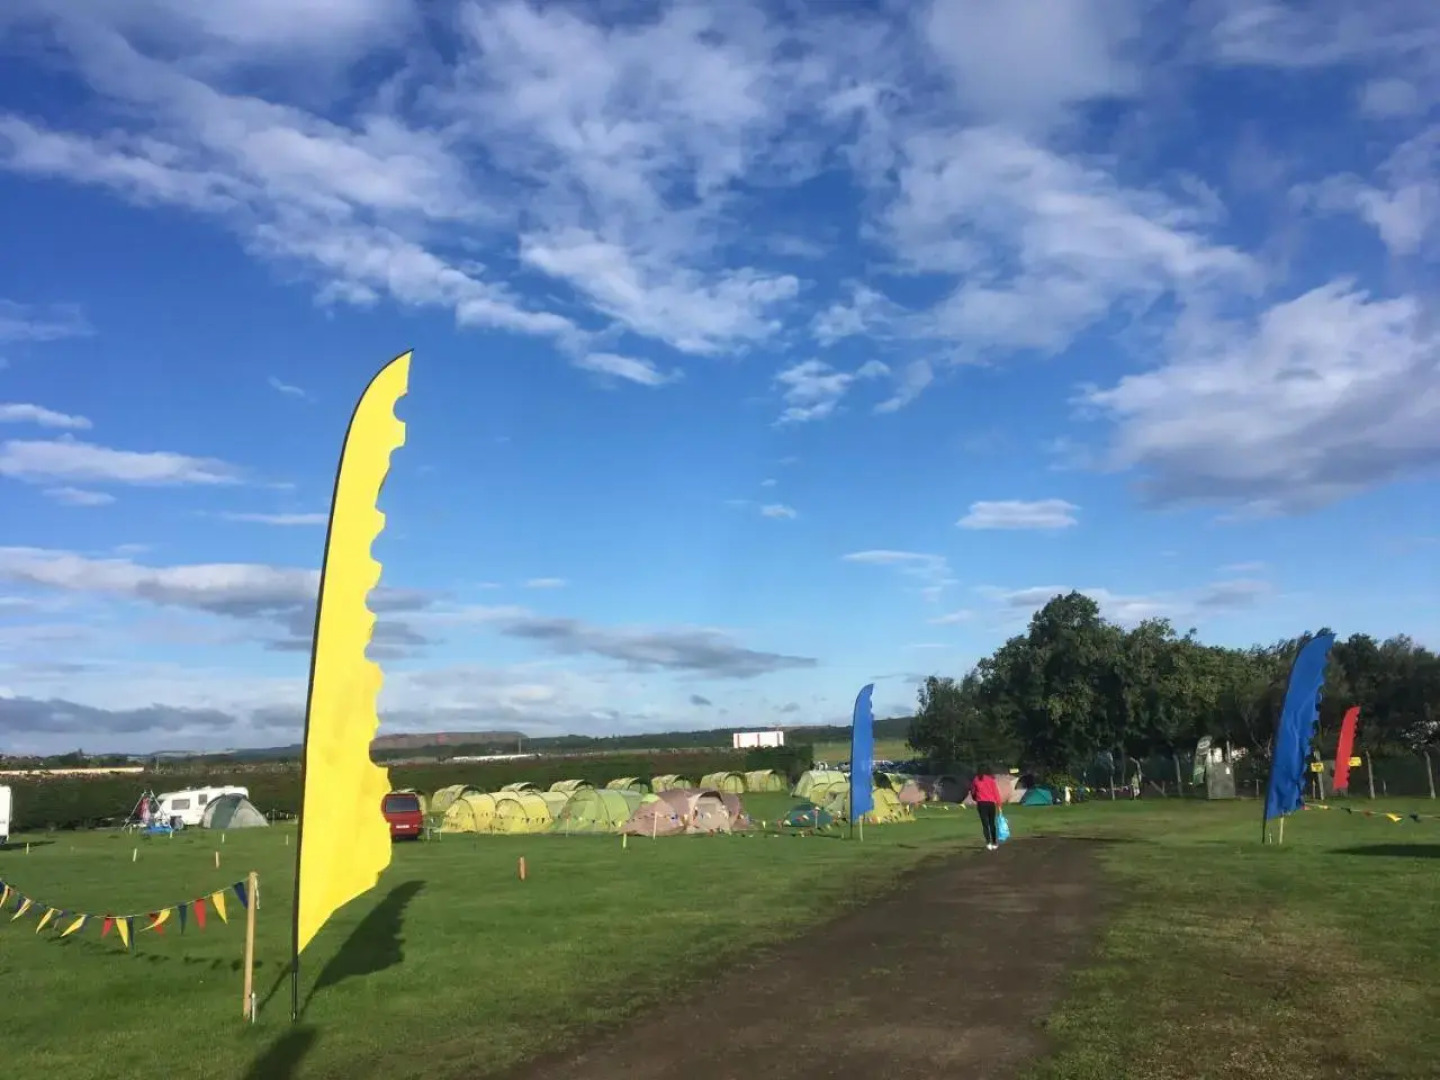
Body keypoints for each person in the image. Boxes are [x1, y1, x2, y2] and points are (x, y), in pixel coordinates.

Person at [968, 766, 1003, 850]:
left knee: (985, 824)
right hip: (991, 803)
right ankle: (994, 842)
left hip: (981, 804)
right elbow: (995, 792)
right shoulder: (991, 780)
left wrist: (975, 798)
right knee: (992, 824)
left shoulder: (976, 779)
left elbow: (973, 791)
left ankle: (988, 843)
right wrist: (999, 804)